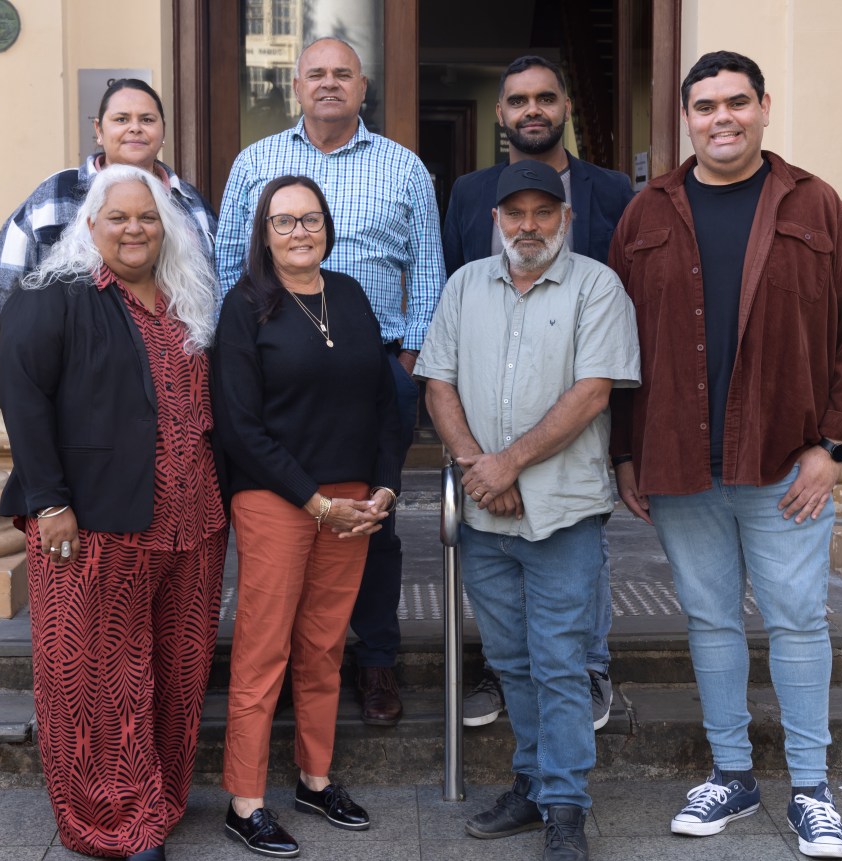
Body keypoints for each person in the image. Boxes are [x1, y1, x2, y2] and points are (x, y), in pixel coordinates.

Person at [609, 51, 842, 859]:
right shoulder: (646, 214)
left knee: (799, 620)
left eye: (736, 102)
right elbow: (617, 343)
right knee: (709, 619)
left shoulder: (816, 205)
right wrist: (627, 451)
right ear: (685, 118)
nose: (721, 118)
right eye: (705, 106)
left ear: (765, 107)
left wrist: (834, 445)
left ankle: (811, 786)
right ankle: (731, 770)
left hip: (786, 461)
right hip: (681, 459)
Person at [0, 164, 224, 861]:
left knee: (177, 669)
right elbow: (23, 397)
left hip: (193, 522)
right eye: (119, 217)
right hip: (92, 521)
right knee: (96, 677)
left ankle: (155, 798)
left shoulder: (186, 297)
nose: (134, 229)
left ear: (167, 227)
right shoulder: (53, 295)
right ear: (90, 224)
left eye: (147, 218)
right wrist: (50, 501)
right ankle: (118, 824)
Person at [214, 36, 444, 726]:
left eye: (342, 74)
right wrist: (241, 354)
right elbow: (231, 260)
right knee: (279, 520)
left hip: (375, 372)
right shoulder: (256, 163)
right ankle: (286, 665)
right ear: (296, 86)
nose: (329, 84)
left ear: (363, 86)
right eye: (316, 74)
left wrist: (405, 368)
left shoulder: (404, 168)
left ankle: (375, 659)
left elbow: (429, 271)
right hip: (275, 373)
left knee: (374, 522)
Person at [416, 161, 640, 861]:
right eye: (516, 213)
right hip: (486, 515)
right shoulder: (463, 288)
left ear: (566, 219)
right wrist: (478, 467)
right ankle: (534, 782)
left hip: (563, 514)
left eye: (544, 212)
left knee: (561, 663)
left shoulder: (597, 287)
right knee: (513, 661)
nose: (529, 226)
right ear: (495, 220)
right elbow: (438, 385)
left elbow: (592, 392)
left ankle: (566, 804)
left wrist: (507, 463)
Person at [441, 54, 635, 732]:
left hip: (582, 404)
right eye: (518, 99)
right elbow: (456, 302)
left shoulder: (611, 191)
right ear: (500, 113)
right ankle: (503, 674)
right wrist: (479, 458)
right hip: (489, 412)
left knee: (580, 544)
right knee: (495, 557)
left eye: (545, 97)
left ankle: (589, 671)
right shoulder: (469, 192)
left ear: (565, 107)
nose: (532, 109)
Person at [212, 175, 402, 859]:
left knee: (324, 646)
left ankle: (315, 779)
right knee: (266, 650)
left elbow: (385, 402)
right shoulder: (244, 308)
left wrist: (383, 488)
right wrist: (314, 500)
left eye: (311, 219)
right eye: (284, 221)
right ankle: (246, 801)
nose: (300, 232)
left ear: (328, 226)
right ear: (263, 232)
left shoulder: (348, 296)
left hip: (351, 501)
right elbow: (239, 426)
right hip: (276, 498)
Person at [0, 78, 216, 312]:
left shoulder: (190, 203)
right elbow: (7, 284)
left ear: (163, 130)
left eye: (147, 120)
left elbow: (213, 287)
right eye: (121, 119)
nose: (135, 128)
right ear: (99, 130)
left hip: (176, 345)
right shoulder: (56, 194)